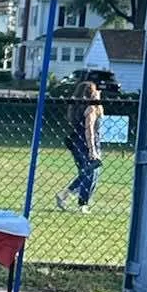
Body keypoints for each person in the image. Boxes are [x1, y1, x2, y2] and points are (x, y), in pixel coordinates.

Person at [57, 80, 103, 212]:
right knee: (92, 173)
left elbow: (101, 113)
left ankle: (65, 195)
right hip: (88, 142)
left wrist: (97, 101)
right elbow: (89, 129)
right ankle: (83, 203)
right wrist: (92, 150)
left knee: (86, 172)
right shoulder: (90, 109)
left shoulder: (77, 107)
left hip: (76, 142)